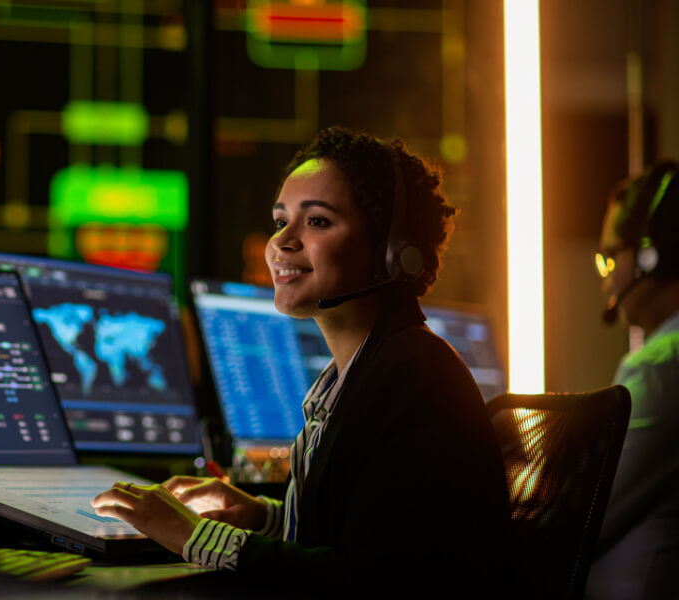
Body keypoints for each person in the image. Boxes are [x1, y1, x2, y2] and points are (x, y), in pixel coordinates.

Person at [91, 127, 511, 594]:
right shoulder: (361, 375)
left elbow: (366, 581)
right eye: (280, 222)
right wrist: (263, 517)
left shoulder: (415, 381)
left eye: (317, 222)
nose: (280, 244)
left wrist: (193, 535)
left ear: (391, 253)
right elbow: (359, 534)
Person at [587, 160, 679, 599]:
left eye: (610, 257)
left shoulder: (661, 366)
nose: (605, 276)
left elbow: (587, 514)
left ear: (649, 254)